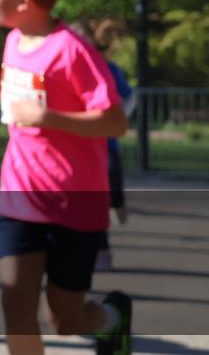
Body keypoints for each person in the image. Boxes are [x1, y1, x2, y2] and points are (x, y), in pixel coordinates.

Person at [0, 0, 132, 355]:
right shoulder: (13, 42)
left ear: (22, 0)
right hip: (19, 197)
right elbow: (23, 106)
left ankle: (113, 318)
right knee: (15, 306)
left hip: (74, 204)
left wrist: (49, 118)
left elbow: (114, 122)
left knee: (65, 320)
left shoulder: (71, 51)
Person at [70, 20, 132, 271]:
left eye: (83, 37)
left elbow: (129, 96)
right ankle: (101, 248)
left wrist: (118, 118)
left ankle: (118, 203)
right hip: (78, 147)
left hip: (106, 144)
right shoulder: (64, 67)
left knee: (111, 191)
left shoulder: (106, 68)